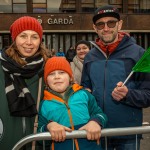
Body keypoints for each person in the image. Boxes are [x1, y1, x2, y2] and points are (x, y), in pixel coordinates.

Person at [81, 5, 150, 150]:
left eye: (111, 23)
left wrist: (128, 94)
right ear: (95, 28)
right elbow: (85, 89)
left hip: (128, 132)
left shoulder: (138, 53)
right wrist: (83, 94)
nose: (106, 28)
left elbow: (148, 94)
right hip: (97, 130)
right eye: (101, 24)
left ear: (119, 24)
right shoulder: (89, 57)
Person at [0, 16, 51, 150]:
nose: (29, 42)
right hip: (6, 141)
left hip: (38, 142)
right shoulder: (1, 67)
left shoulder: (49, 68)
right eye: (23, 36)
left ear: (40, 40)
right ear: (14, 39)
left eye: (34, 37)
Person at [37, 57, 107, 150]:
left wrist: (96, 122)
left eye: (62, 72)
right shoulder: (44, 104)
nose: (57, 76)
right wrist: (49, 127)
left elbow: (100, 114)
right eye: (51, 74)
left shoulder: (84, 95)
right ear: (46, 81)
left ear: (70, 77)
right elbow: (39, 136)